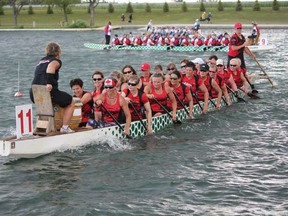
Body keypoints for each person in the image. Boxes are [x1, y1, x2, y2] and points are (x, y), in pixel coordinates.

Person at [29, 42, 75, 133]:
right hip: (47, 91)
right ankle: (65, 128)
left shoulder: (41, 61)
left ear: (46, 52)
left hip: (33, 93)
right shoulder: (56, 61)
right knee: (71, 102)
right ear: (58, 53)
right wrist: (49, 83)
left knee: (53, 102)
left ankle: (43, 128)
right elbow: (50, 67)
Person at [227, 22, 257, 91]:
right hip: (233, 56)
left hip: (240, 55)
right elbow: (233, 48)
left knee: (243, 71)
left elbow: (245, 48)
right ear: (235, 29)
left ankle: (251, 86)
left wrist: (252, 55)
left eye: (240, 28)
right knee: (231, 71)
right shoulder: (233, 38)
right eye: (238, 28)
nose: (239, 30)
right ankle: (231, 86)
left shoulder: (242, 37)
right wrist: (243, 45)